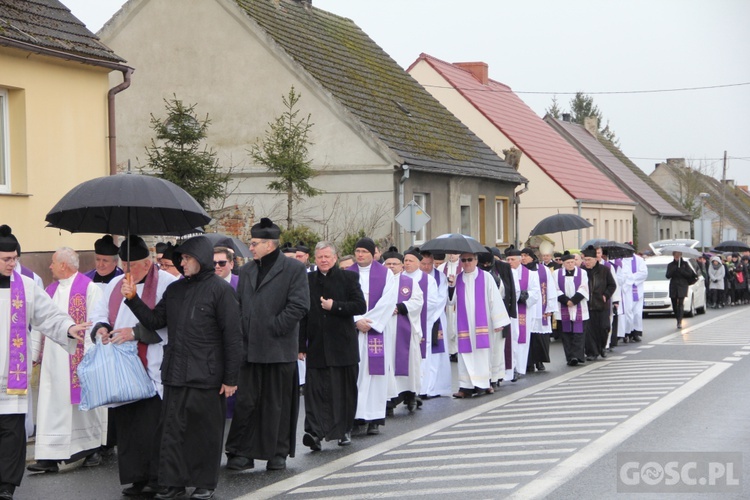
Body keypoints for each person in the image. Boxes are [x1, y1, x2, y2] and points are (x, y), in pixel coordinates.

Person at [124, 235, 242, 500]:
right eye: (182, 259)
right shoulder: (175, 290)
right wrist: (133, 298)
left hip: (208, 374)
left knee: (204, 433)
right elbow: (155, 321)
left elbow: (233, 337)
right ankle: (174, 482)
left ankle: (204, 483)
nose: (183, 263)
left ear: (200, 259)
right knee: (173, 431)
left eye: (187, 258)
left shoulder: (220, 290)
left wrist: (231, 378)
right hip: (176, 372)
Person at [0, 226, 89, 500]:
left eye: (15, 258)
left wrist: (69, 328)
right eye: (6, 259)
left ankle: (6, 486)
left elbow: (49, 316)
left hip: (10, 378)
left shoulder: (26, 286)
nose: (12, 263)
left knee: (12, 434)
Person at [90, 236, 177, 497]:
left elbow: (168, 322)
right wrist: (102, 328)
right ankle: (136, 478)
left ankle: (157, 478)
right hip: (122, 368)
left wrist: (135, 332)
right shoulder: (115, 283)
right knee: (128, 427)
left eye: (133, 266)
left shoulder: (166, 283)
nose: (127, 271)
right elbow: (99, 313)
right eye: (124, 264)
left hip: (152, 364)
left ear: (148, 263)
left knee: (152, 426)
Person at [225, 218, 310, 472]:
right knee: (247, 403)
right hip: (250, 350)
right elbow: (239, 305)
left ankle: (277, 453)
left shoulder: (293, 269)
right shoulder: (247, 271)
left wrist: (274, 327)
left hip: (278, 349)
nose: (250, 248)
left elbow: (299, 305)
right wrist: (243, 328)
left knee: (277, 404)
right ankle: (242, 452)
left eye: (254, 243)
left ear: (269, 245)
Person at [27, 248, 103, 473]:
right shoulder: (49, 290)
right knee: (52, 406)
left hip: (78, 359)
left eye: (52, 263)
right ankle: (49, 456)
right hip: (53, 361)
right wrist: (33, 354)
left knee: (81, 410)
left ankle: (91, 448)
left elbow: (95, 322)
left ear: (63, 265)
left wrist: (89, 358)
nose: (49, 267)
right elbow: (38, 325)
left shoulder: (89, 288)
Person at [299, 242, 365, 451]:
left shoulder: (348, 278)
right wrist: (300, 345)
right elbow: (302, 314)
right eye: (320, 257)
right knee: (316, 391)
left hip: (343, 346)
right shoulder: (307, 280)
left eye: (327, 256)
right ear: (315, 259)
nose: (324, 260)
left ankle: (344, 430)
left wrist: (334, 306)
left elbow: (360, 305)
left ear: (335, 258)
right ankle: (314, 433)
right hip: (317, 346)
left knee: (343, 390)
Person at [348, 237, 397, 435]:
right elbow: (343, 298)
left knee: (375, 374)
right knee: (356, 374)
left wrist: (369, 322)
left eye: (364, 252)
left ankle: (375, 417)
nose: (360, 255)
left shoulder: (386, 274)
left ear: (373, 254)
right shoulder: (347, 274)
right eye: (357, 251)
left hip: (375, 331)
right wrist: (356, 320)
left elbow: (388, 301)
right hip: (354, 331)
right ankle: (357, 417)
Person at [447, 250, 510, 398]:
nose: (466, 263)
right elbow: (450, 301)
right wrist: (451, 286)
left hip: (483, 324)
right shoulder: (458, 278)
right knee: (465, 356)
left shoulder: (486, 277)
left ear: (476, 261)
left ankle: (484, 384)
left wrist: (498, 321)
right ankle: (466, 387)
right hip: (464, 325)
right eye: (463, 260)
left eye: (469, 260)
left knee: (482, 354)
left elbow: (494, 299)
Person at [384, 248, 424, 414]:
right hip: (385, 329)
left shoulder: (409, 283)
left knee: (408, 363)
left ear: (402, 267)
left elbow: (418, 302)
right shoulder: (380, 282)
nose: (391, 267)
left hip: (404, 329)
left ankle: (410, 394)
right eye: (388, 264)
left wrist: (400, 307)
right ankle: (388, 400)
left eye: (395, 264)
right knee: (387, 364)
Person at [418, 249, 450, 398]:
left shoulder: (440, 277)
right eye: (423, 264)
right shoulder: (414, 277)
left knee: (435, 355)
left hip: (436, 319)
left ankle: (434, 387)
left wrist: (428, 318)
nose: (426, 267)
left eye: (429, 264)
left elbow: (440, 300)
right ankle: (421, 387)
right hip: (417, 320)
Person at [521, 248, 557, 373]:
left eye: (526, 255)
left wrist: (550, 308)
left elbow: (551, 289)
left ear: (532, 257)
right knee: (528, 336)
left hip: (541, 308)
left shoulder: (543, 270)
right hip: (526, 307)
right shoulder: (520, 271)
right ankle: (529, 362)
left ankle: (540, 361)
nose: (523, 258)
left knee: (540, 337)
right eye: (521, 256)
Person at [506, 249, 539, 381]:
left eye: (512, 259)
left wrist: (527, 295)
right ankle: (510, 368)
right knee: (511, 338)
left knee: (521, 339)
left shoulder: (530, 274)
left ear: (520, 260)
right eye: (508, 259)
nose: (510, 262)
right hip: (509, 311)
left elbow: (536, 291)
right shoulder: (505, 273)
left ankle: (519, 368)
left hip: (522, 309)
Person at [582, 246, 617, 360]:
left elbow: (612, 285)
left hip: (601, 305)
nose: (587, 262)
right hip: (587, 305)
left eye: (589, 260)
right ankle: (592, 352)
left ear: (595, 259)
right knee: (589, 331)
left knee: (604, 328)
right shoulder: (582, 272)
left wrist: (606, 295)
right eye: (585, 260)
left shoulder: (604, 270)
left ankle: (602, 346)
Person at [554, 253, 589, 366]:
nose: (570, 264)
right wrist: (566, 301)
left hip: (578, 305)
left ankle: (578, 355)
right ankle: (570, 357)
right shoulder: (556, 274)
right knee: (566, 333)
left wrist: (574, 300)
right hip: (563, 306)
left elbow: (584, 287)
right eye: (567, 263)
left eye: (572, 262)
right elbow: (555, 289)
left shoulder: (582, 273)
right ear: (563, 264)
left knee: (579, 333)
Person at [618, 252, 647, 342]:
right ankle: (626, 333)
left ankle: (635, 333)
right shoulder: (620, 260)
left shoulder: (639, 260)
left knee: (637, 313)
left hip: (636, 289)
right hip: (625, 290)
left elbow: (644, 273)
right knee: (627, 312)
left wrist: (631, 278)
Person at [666, 251, 697, 329]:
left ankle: (679, 321)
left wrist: (681, 271)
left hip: (682, 285)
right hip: (673, 285)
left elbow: (690, 274)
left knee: (680, 303)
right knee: (674, 303)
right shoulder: (670, 265)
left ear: (680, 255)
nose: (677, 257)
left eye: (678, 255)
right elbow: (667, 275)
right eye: (675, 255)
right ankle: (677, 317)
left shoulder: (685, 264)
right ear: (673, 256)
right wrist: (674, 269)